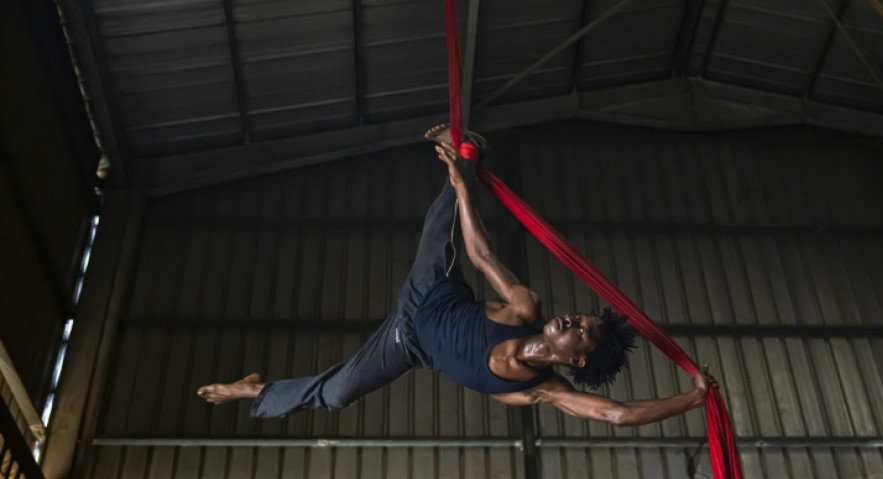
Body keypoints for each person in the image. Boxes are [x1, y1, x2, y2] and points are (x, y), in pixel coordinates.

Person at [198, 125, 717, 425]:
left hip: (411, 344)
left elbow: (617, 415)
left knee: (336, 395)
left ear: (578, 357)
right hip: (434, 291)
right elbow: (481, 253)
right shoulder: (525, 308)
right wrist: (462, 185)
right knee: (439, 227)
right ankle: (468, 152)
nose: (573, 320)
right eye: (580, 316)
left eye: (582, 331)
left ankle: (254, 390)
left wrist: (694, 398)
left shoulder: (543, 389)